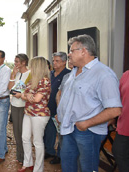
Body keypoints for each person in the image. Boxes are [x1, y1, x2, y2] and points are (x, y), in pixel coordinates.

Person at [57, 34, 122, 172]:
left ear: (84, 51)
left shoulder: (104, 74)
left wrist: (86, 124)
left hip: (87, 131)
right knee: (68, 165)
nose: (69, 54)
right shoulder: (74, 72)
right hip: (68, 128)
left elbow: (115, 110)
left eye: (72, 50)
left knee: (87, 168)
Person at [18, 57, 51, 172]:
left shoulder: (45, 80)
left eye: (32, 65)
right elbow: (22, 94)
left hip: (39, 115)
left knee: (37, 141)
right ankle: (28, 163)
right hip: (28, 112)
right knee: (25, 138)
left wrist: (27, 96)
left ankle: (38, 169)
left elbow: (37, 99)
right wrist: (28, 96)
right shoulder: (32, 80)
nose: (30, 68)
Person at [44, 52, 70, 164]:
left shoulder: (68, 75)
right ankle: (49, 151)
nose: (54, 63)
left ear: (64, 62)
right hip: (48, 109)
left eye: (57, 61)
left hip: (60, 110)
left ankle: (60, 155)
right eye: (53, 60)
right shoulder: (50, 74)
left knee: (61, 135)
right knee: (49, 132)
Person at [7, 53, 30, 164]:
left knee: (24, 133)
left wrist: (22, 95)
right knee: (16, 132)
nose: (15, 63)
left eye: (16, 61)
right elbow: (9, 89)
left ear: (23, 62)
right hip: (15, 105)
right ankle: (19, 155)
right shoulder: (15, 74)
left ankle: (26, 157)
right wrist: (12, 76)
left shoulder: (30, 74)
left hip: (25, 107)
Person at [112, 70, 129, 172]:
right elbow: (118, 97)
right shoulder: (126, 74)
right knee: (119, 151)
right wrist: (113, 117)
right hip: (125, 123)